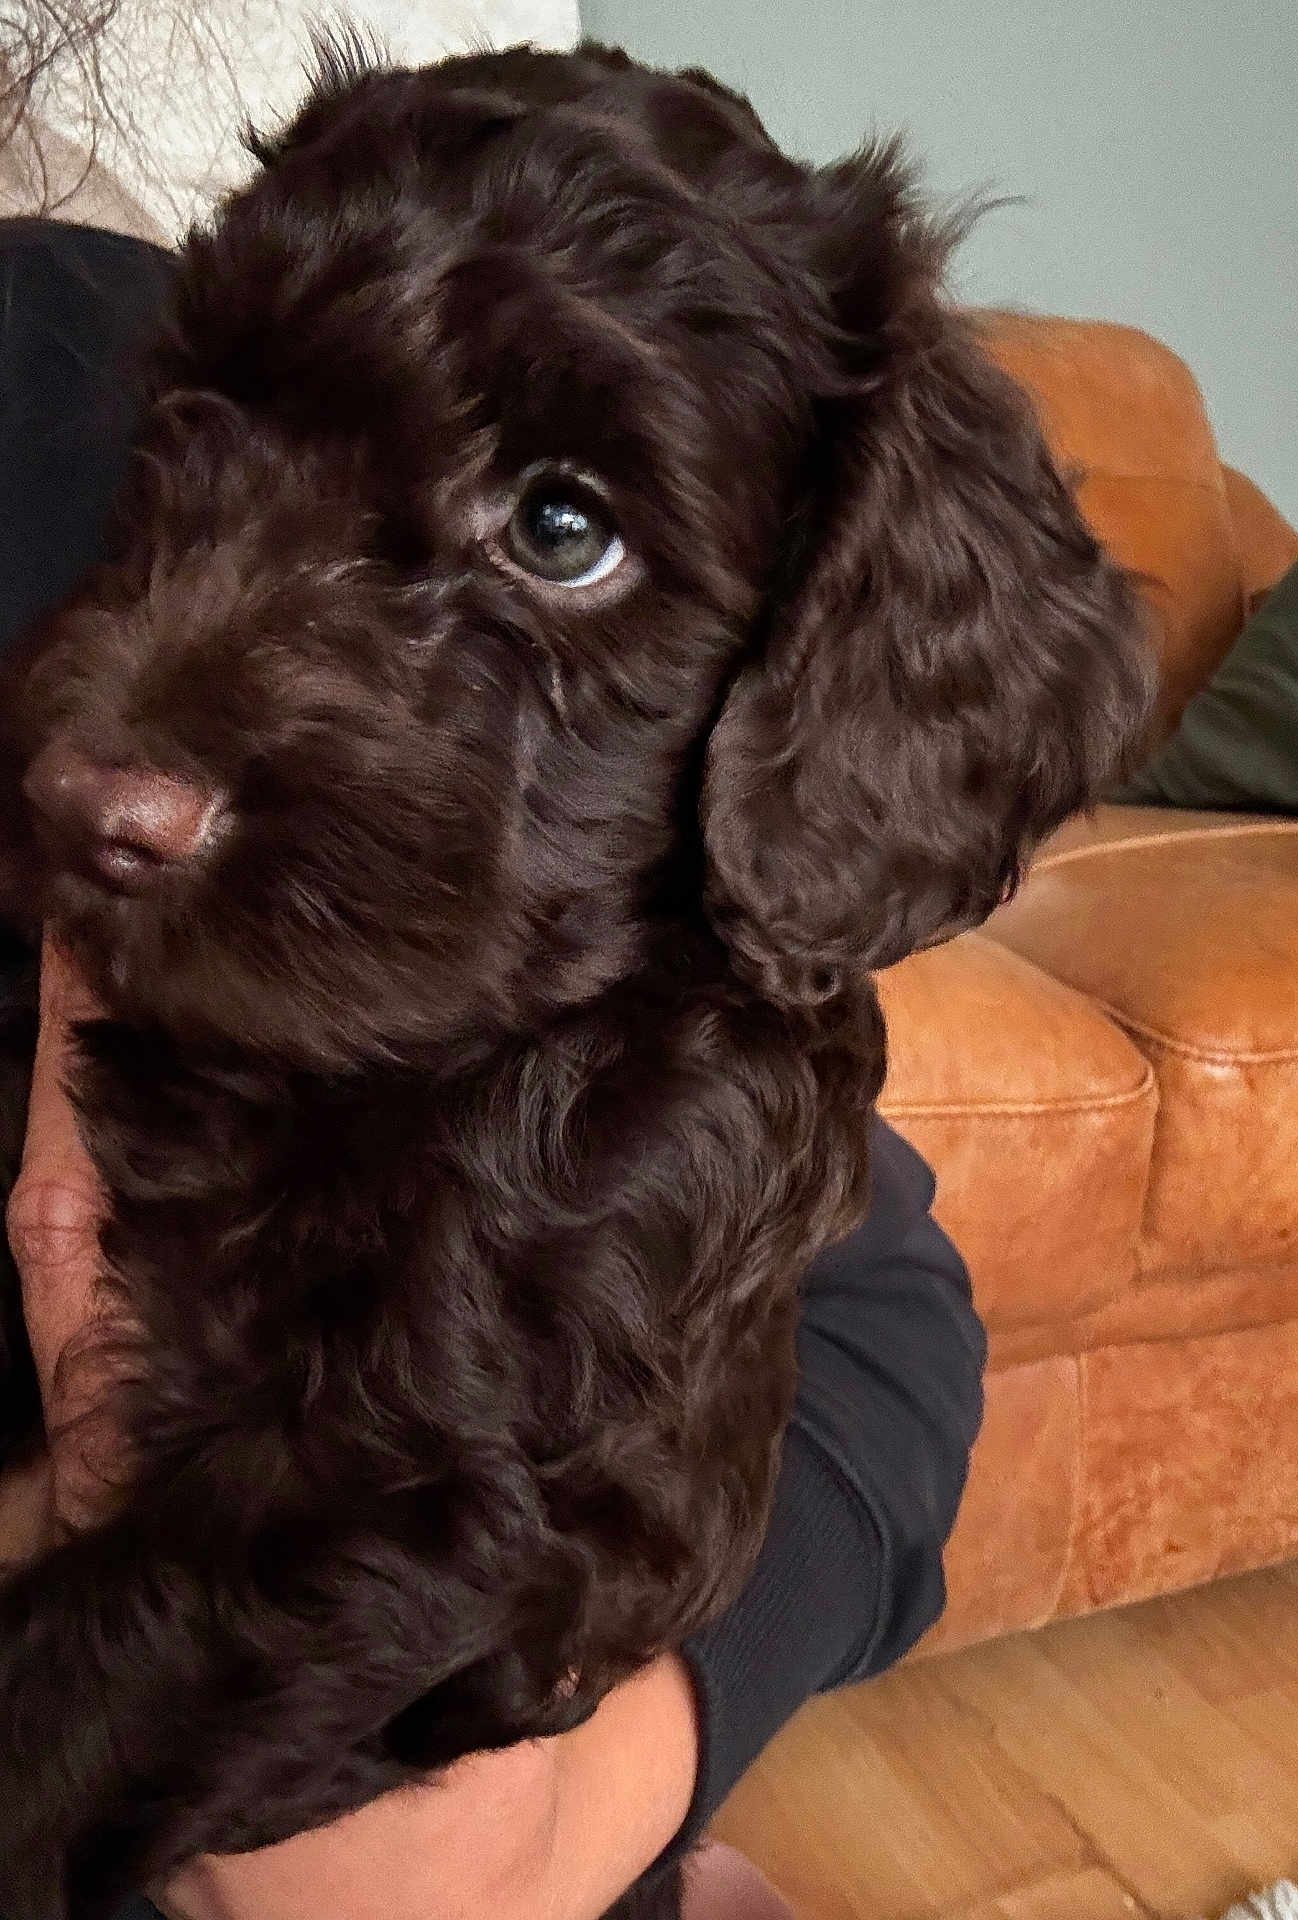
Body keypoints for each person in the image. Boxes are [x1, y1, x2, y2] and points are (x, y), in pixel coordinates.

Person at [0, 127, 986, 1920]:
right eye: (196, 462)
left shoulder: (49, 333)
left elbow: (887, 1326)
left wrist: (581, 1815)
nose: (111, 756)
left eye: (558, 529)